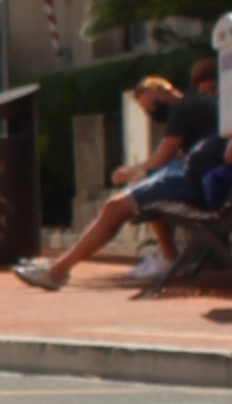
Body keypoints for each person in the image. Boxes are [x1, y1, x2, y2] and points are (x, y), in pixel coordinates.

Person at [15, 67, 219, 289]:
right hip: (208, 180)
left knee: (115, 206)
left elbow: (161, 157)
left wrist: (129, 171)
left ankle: (56, 272)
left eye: (152, 103)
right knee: (140, 186)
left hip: (198, 181)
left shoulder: (183, 108)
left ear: (162, 89)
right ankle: (167, 255)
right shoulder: (195, 105)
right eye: (146, 109)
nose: (152, 110)